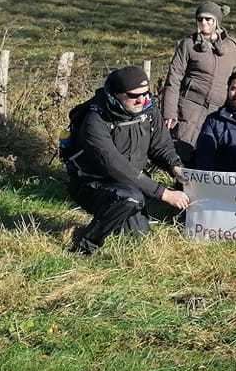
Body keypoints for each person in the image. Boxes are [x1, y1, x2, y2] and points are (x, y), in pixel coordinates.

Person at [64, 66, 187, 254]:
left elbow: (161, 146)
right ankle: (86, 244)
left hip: (132, 182)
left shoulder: (148, 110)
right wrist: (164, 193)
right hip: (93, 183)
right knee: (130, 198)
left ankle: (116, 219)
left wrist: (175, 167)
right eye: (134, 95)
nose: (142, 100)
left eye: (146, 93)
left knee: (139, 238)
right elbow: (115, 166)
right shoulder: (94, 121)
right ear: (116, 94)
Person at [160, 1, 236, 164]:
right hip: (189, 108)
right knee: (183, 157)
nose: (203, 23)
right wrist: (169, 112)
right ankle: (180, 189)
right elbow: (173, 78)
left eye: (208, 19)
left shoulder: (231, 48)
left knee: (211, 158)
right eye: (200, 19)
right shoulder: (188, 44)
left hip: (218, 111)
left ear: (217, 22)